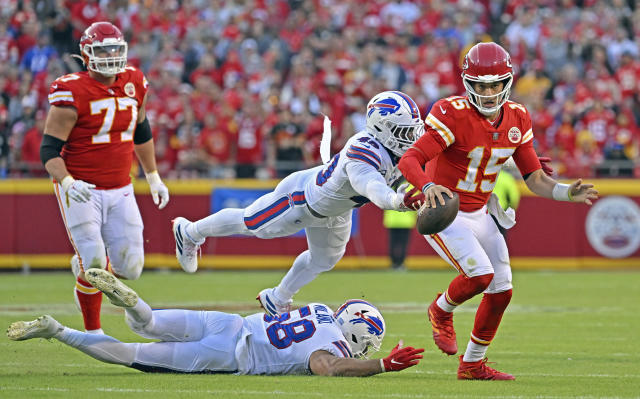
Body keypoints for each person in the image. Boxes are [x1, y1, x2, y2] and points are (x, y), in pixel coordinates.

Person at [397, 42, 598, 380]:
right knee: (480, 276)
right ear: (467, 84)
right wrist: (429, 187)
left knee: (502, 290)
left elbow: (534, 178)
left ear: (507, 81)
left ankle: (473, 364)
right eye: (480, 85)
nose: (488, 92)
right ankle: (440, 309)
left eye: (494, 84)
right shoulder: (452, 113)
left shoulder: (518, 116)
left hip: (482, 212)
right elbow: (410, 159)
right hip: (447, 211)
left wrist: (564, 192)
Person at [172, 91, 426, 316]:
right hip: (302, 199)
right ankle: (190, 232)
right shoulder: (363, 150)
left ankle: (278, 298)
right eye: (405, 131)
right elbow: (372, 187)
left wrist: (417, 189)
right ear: (382, 129)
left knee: (324, 259)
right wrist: (398, 200)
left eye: (413, 129)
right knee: (252, 223)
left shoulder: (395, 149)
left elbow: (404, 174)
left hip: (337, 210)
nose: (412, 136)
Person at [7, 269, 424, 376]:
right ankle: (58, 330)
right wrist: (382, 366)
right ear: (356, 332)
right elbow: (326, 367)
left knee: (145, 323)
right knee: (131, 355)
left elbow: (281, 314)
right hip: (229, 353)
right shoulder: (333, 346)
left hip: (228, 322)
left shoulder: (318, 309)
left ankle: (132, 300)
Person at [38, 22, 169, 334]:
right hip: (81, 189)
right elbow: (48, 150)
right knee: (95, 261)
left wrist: (153, 176)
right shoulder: (71, 90)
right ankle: (93, 332)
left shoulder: (135, 81)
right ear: (86, 54)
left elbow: (142, 129)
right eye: (102, 50)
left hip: (121, 187)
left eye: (115, 49)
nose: (110, 56)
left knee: (132, 269)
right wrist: (68, 182)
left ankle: (83, 267)